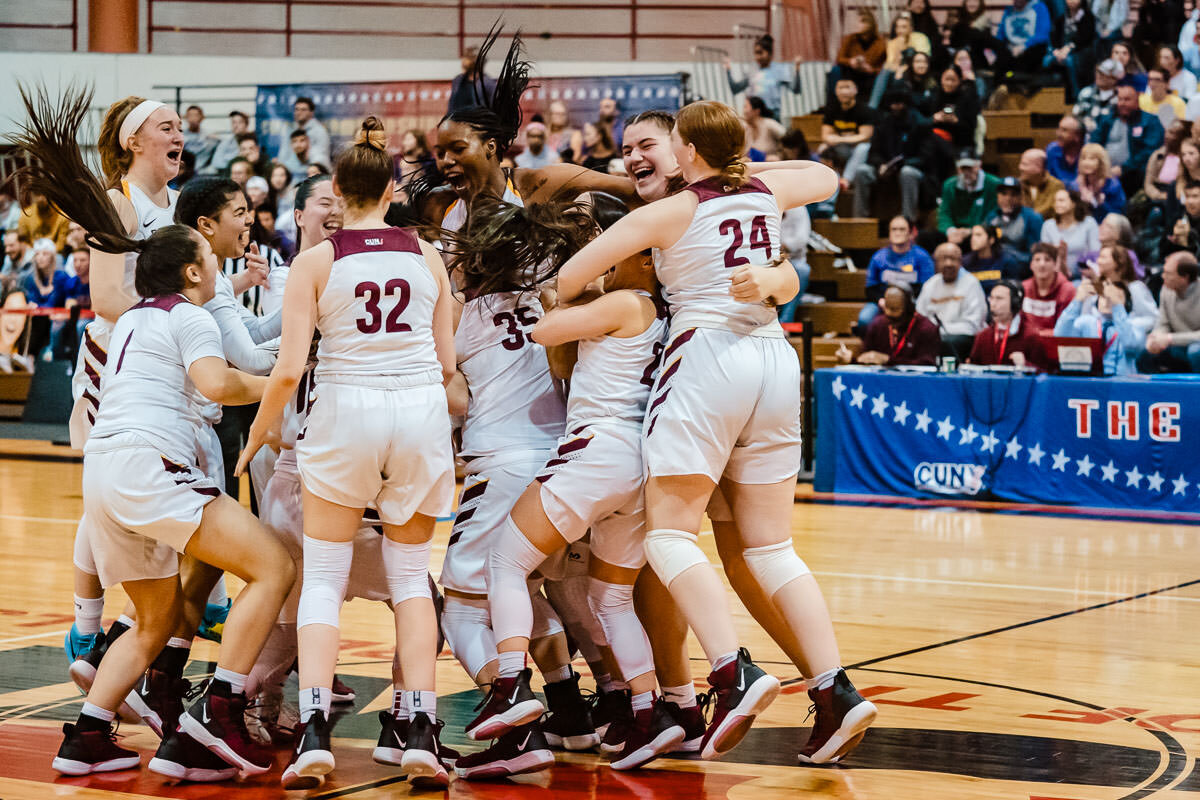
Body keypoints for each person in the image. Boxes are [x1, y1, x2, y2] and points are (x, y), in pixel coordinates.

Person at [554, 99, 877, 765]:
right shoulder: (763, 189)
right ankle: (835, 689)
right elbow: (824, 177)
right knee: (771, 550)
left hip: (705, 364)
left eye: (656, 144)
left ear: (684, 150)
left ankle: (732, 674)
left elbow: (566, 279)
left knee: (670, 537)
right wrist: (738, 175)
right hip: (774, 364)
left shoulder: (666, 214)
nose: (640, 158)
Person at [16, 86, 295, 779]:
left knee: (159, 613)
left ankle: (87, 735)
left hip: (120, 455)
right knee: (273, 565)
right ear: (194, 263)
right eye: (166, 126)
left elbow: (233, 352)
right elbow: (223, 381)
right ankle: (210, 709)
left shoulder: (165, 293)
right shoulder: (168, 288)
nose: (178, 135)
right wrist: (285, 384)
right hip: (147, 440)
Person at [237, 117, 456, 791]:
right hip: (419, 409)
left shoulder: (316, 261)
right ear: (392, 189)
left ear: (335, 189)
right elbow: (447, 363)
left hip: (343, 411)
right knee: (413, 579)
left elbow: (287, 370)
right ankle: (419, 727)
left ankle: (313, 736)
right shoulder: (427, 255)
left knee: (324, 578)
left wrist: (258, 435)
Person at [851, 85, 933, 220]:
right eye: (893, 104)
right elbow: (873, 153)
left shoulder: (920, 124)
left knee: (907, 172)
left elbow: (926, 157)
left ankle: (908, 220)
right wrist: (881, 165)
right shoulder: (883, 123)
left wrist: (901, 164)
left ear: (906, 104)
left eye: (899, 104)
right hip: (885, 168)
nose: (896, 107)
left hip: (912, 169)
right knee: (862, 171)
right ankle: (861, 221)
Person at [858, 215, 934, 328]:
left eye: (902, 229)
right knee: (865, 320)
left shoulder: (922, 257)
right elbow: (870, 289)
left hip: (913, 302)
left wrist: (906, 303)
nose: (897, 233)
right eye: (894, 229)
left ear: (911, 233)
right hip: (883, 301)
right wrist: (882, 301)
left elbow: (927, 287)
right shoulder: (879, 257)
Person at [1092, 83, 1165, 197]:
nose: (1122, 103)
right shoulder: (1107, 120)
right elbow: (1094, 143)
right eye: (1120, 99)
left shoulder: (1150, 121)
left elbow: (1148, 152)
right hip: (1104, 173)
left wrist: (1124, 168)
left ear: (1137, 102)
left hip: (1135, 175)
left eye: (1127, 100)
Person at [916, 241, 988, 358]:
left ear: (960, 262)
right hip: (935, 336)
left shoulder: (971, 283)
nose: (948, 263)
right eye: (943, 259)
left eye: (953, 259)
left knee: (947, 342)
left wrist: (941, 332)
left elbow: (973, 324)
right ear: (936, 262)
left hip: (963, 337)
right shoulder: (930, 285)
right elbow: (920, 317)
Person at [1054, 278, 1142, 372]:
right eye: (1104, 296)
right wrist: (1077, 301)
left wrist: (1117, 306)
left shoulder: (1135, 326)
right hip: (1091, 381)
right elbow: (1060, 335)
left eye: (1115, 296)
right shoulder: (1086, 322)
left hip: (1123, 383)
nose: (1108, 300)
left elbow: (1130, 344)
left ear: (1127, 303)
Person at [840, 284, 941, 365]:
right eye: (887, 307)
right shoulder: (878, 324)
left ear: (909, 309)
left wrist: (888, 360)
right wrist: (851, 359)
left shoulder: (926, 328)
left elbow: (928, 364)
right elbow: (865, 359)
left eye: (894, 309)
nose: (888, 313)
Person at [1138, 250, 1200, 370]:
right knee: (1145, 353)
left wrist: (1169, 339)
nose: (1163, 276)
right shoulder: (1166, 290)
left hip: (1193, 345)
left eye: (1168, 273)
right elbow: (1163, 322)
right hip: (1177, 345)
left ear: (1185, 277)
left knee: (1195, 351)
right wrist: (1156, 337)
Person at [1080, 244, 1158, 334]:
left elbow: (1152, 318)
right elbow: (1084, 320)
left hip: (1126, 343)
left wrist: (1124, 325)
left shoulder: (1135, 288)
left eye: (1103, 257)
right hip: (1099, 343)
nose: (1098, 261)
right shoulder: (1095, 288)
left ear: (1118, 261)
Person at [724, 33, 803, 120]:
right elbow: (735, 89)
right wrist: (728, 70)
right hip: (754, 116)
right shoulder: (752, 70)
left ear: (770, 53)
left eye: (760, 53)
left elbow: (796, 90)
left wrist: (797, 69)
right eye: (755, 53)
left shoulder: (779, 70)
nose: (757, 57)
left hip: (772, 116)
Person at [968, 280, 1047, 368]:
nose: (993, 304)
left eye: (999, 299)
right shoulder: (983, 337)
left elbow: (1045, 375)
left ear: (1015, 303)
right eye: (991, 298)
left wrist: (1026, 365)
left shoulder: (1031, 337)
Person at [938, 150, 1001, 246]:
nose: (966, 172)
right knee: (927, 237)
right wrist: (951, 231)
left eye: (970, 168)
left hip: (981, 231)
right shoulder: (949, 185)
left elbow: (994, 214)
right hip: (955, 232)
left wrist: (971, 231)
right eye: (963, 168)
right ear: (957, 169)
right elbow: (944, 213)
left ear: (979, 166)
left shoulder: (993, 184)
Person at [870, 13, 933, 106]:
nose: (900, 30)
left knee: (910, 52)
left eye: (904, 27)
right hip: (899, 69)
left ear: (910, 28)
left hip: (917, 67)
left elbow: (922, 58)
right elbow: (890, 64)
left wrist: (903, 68)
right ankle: (872, 107)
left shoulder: (920, 37)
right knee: (885, 70)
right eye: (898, 27)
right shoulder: (892, 42)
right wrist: (898, 49)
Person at [819, 78, 874, 175]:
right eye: (840, 88)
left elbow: (865, 137)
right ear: (836, 91)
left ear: (855, 90)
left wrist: (839, 139)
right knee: (822, 148)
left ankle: (846, 180)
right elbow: (825, 136)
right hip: (841, 147)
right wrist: (842, 140)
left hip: (856, 148)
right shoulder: (831, 109)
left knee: (863, 148)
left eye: (847, 87)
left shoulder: (864, 110)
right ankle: (831, 180)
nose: (844, 91)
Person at [985, 177, 1044, 268]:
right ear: (998, 196)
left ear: (1021, 197)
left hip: (1021, 267)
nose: (1008, 199)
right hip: (994, 266)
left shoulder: (1032, 218)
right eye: (1004, 194)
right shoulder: (992, 217)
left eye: (1013, 194)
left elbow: (1035, 254)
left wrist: (1008, 255)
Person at [1040, 187, 1100, 276]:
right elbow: (1043, 253)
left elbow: (1095, 252)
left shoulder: (1089, 223)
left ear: (1073, 203)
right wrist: (1055, 250)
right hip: (1055, 274)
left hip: (1083, 274)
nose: (1057, 204)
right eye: (1055, 201)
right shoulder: (1048, 225)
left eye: (1061, 200)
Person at [920, 65, 980, 151]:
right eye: (947, 79)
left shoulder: (967, 98)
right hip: (936, 141)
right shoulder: (934, 96)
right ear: (941, 79)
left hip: (960, 142)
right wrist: (934, 118)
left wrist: (956, 121)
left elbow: (971, 127)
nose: (949, 83)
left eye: (953, 80)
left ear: (959, 80)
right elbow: (921, 121)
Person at [832, 9, 888, 100]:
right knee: (835, 70)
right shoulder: (850, 39)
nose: (855, 25)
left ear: (869, 24)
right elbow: (839, 58)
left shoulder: (881, 43)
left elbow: (885, 65)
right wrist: (850, 61)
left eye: (859, 22)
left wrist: (871, 69)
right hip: (851, 71)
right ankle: (835, 102)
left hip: (870, 74)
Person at [1046, 0, 1096, 101]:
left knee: (1069, 61)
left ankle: (1076, 95)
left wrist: (1069, 48)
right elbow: (1054, 37)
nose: (1072, 1)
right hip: (1061, 51)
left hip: (1080, 51)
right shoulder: (1061, 17)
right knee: (1046, 60)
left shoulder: (1087, 17)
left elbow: (1085, 39)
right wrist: (1056, 50)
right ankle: (1049, 96)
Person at [1022, 242, 1076, 333]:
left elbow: (1065, 330)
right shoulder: (1024, 287)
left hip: (1055, 342)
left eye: (1047, 260)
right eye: (1037, 259)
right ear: (1031, 265)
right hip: (1028, 342)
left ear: (1055, 265)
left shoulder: (1068, 290)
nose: (1042, 264)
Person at [994, 0, 1052, 82]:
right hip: (1012, 49)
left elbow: (1043, 35)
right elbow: (1000, 35)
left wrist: (1024, 46)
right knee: (1000, 63)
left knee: (1033, 54)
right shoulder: (1009, 10)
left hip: (1032, 48)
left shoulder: (1038, 7)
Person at [1070, 142, 1127, 219]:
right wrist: (1082, 202)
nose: (1086, 162)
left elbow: (1119, 214)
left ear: (1101, 162)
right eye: (1083, 158)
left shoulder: (1112, 185)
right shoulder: (1075, 185)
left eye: (1092, 159)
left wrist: (1099, 204)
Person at [962, 223, 1022, 292]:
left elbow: (1013, 289)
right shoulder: (965, 262)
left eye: (978, 235)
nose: (973, 239)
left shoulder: (1007, 261)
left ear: (991, 240)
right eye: (972, 235)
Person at [277, 96, 330, 170]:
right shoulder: (289, 130)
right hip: (291, 174)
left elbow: (320, 157)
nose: (299, 112)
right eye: (296, 109)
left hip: (312, 173)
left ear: (311, 113)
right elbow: (283, 153)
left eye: (303, 110)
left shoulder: (319, 131)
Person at [1073, 59, 1125, 133]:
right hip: (1085, 136)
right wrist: (1084, 122)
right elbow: (1076, 115)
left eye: (1103, 74)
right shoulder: (1086, 92)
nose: (1099, 76)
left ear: (1114, 79)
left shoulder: (1121, 97)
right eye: (1098, 72)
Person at [1020, 148, 1067, 219]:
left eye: (1025, 164)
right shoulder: (1019, 184)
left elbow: (1050, 212)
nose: (1020, 167)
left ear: (1039, 167)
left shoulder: (1056, 186)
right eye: (1021, 163)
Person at [1046, 114, 1086, 181]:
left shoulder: (1089, 153)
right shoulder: (1052, 150)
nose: (1058, 134)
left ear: (1077, 136)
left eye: (1064, 130)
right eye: (1059, 129)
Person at [208, 110, 250, 175]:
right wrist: (235, 159)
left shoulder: (252, 142)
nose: (236, 125)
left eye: (240, 122)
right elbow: (216, 163)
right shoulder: (226, 143)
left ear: (246, 125)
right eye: (233, 122)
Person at [182, 105, 216, 173]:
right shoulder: (180, 137)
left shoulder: (210, 138)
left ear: (202, 118)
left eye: (196, 115)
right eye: (190, 115)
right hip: (183, 173)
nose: (193, 118)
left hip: (203, 173)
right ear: (186, 118)